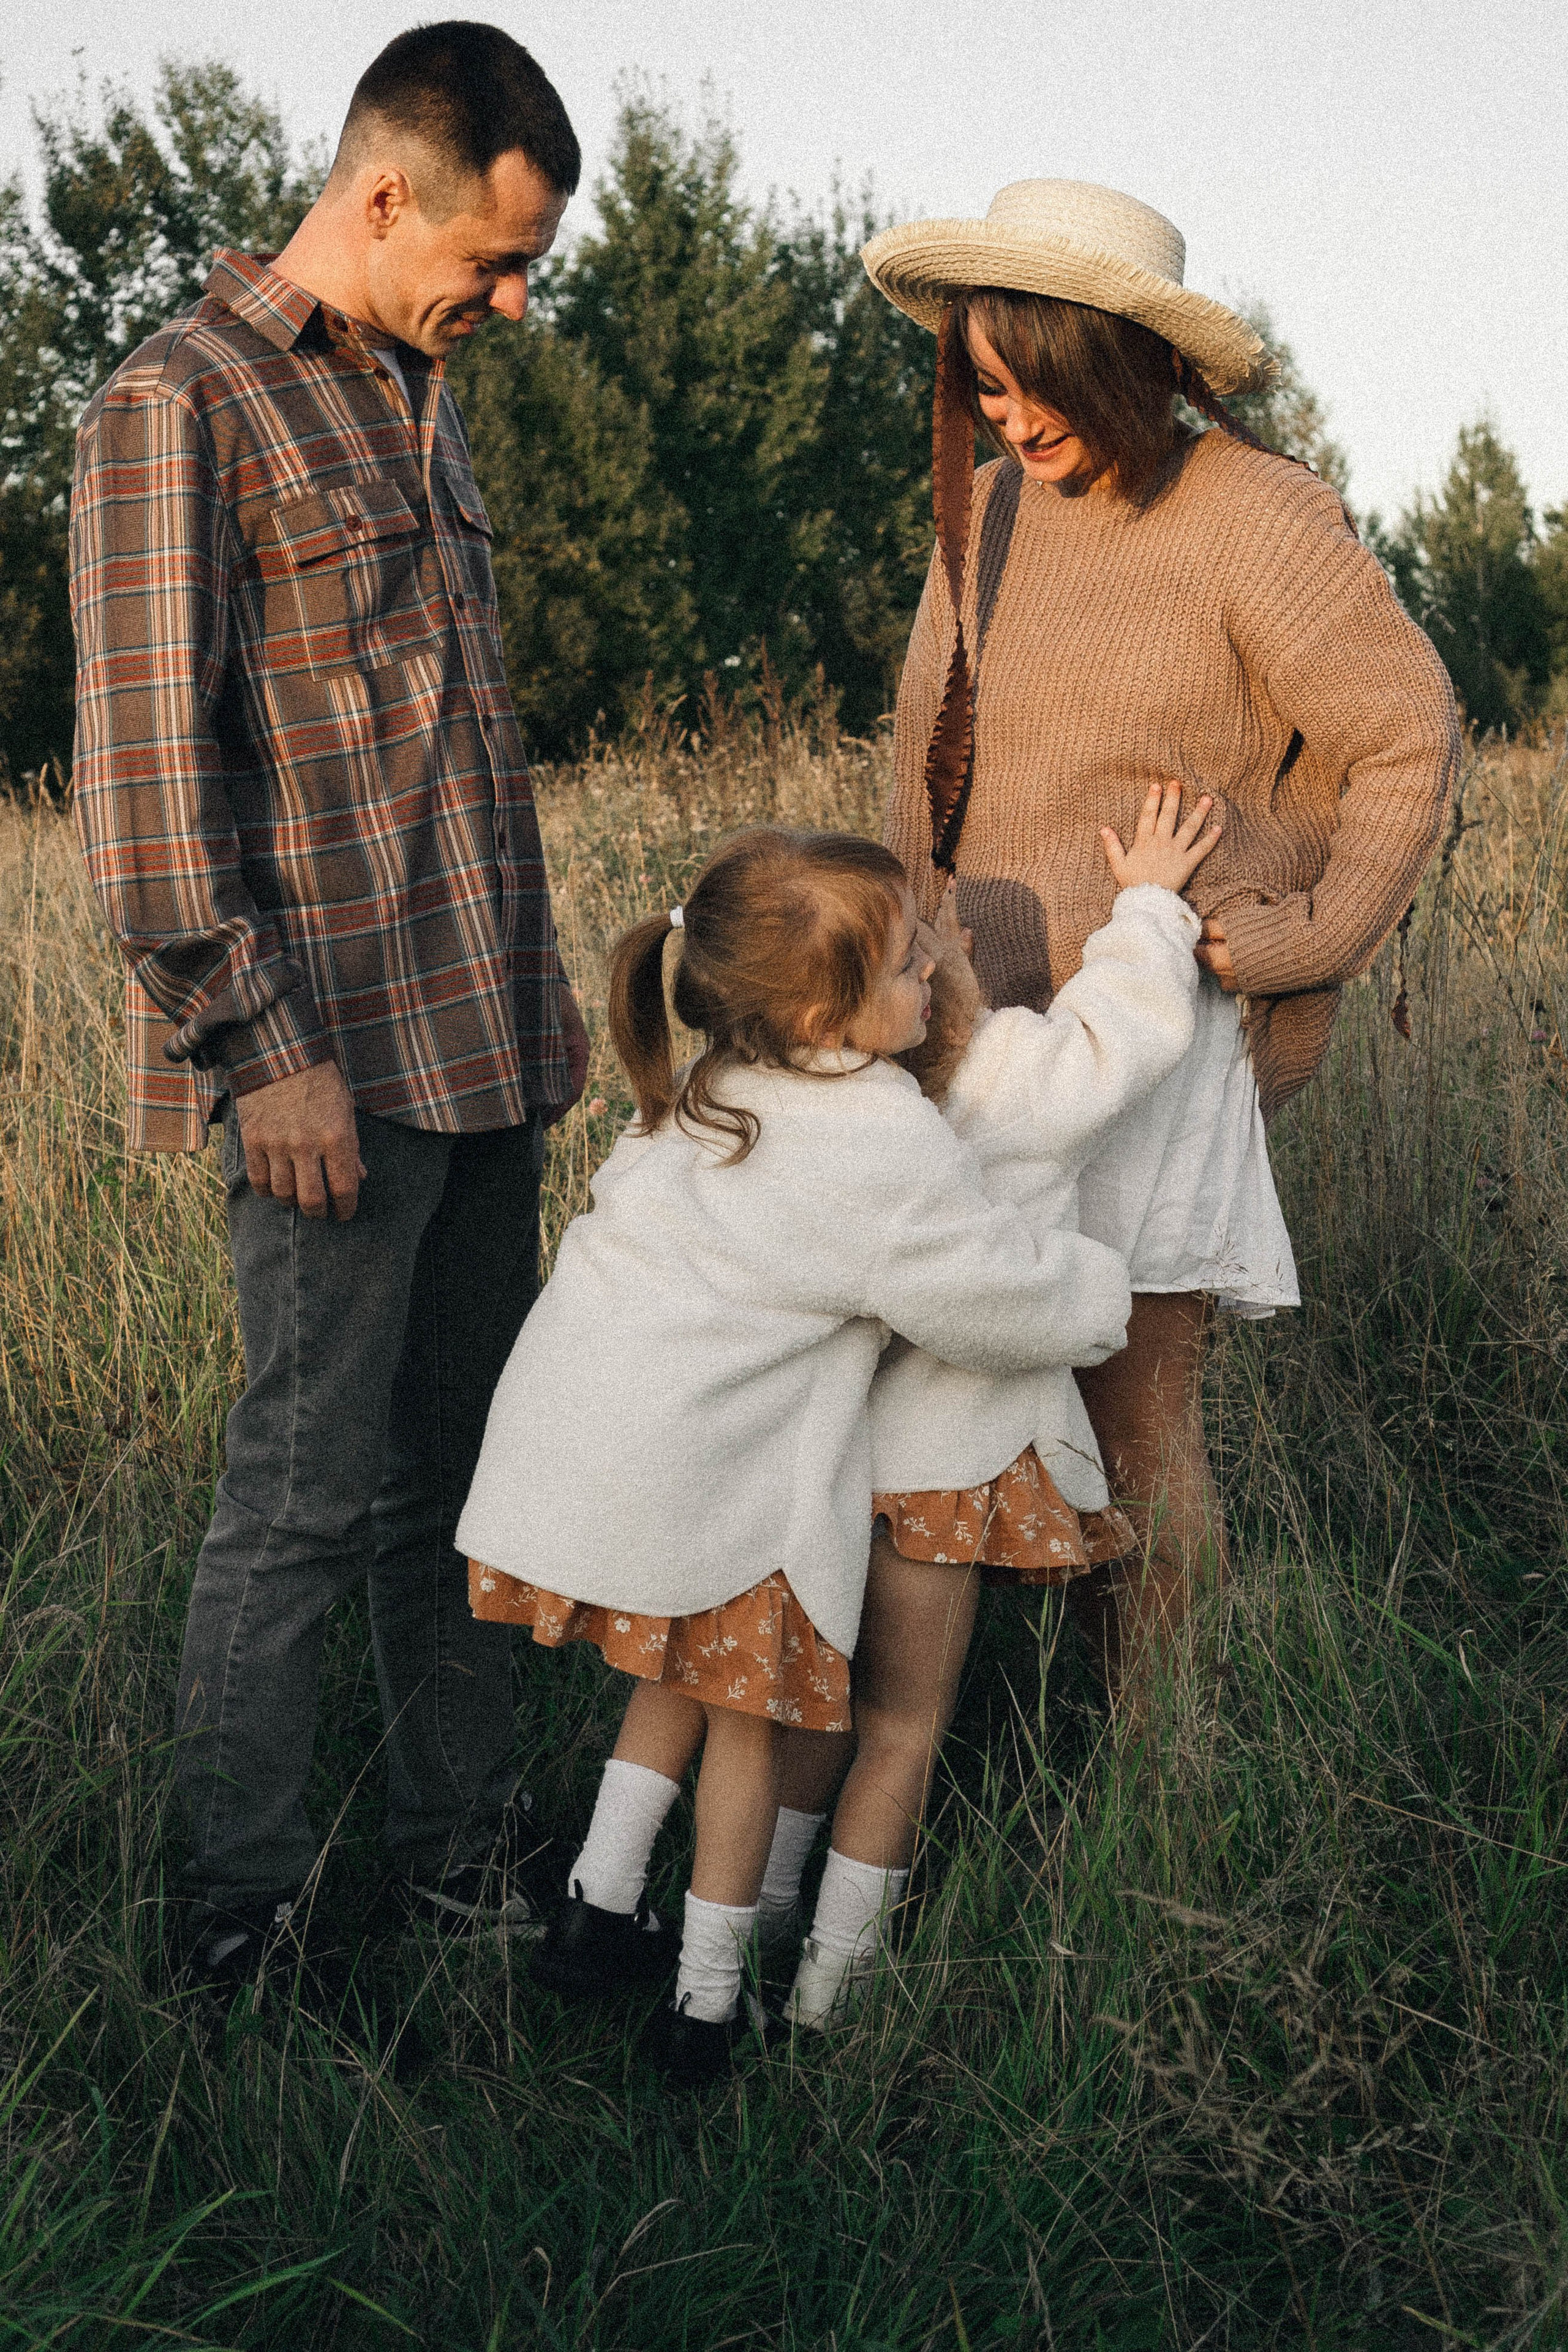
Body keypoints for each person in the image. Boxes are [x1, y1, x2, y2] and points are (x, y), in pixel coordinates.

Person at [68, 24, 590, 2007]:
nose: (517, 299)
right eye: (500, 254)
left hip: (488, 1058)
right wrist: (256, 1047)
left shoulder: (422, 399)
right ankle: (241, 1938)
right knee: (298, 1507)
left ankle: (462, 1881)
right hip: (329, 1078)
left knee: (463, 1491)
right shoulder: (176, 408)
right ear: (386, 195)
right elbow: (144, 789)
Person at [859, 179, 1461, 1697]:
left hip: (1148, 1034)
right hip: (978, 1029)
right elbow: (921, 748)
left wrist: (1297, 939)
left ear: (1117, 361)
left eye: (1035, 384)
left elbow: (1405, 734)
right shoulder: (985, 510)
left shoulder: (1254, 513)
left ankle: (1143, 1768)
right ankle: (958, 1730)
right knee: (948, 1389)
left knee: (1133, 1414)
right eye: (982, 387)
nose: (1008, 419)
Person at [457, 826, 1136, 2084]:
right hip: (719, 1478)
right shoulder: (873, 1144)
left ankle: (597, 1905)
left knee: (664, 1676)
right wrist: (1102, 1291)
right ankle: (704, 2009)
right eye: (904, 973)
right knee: (748, 1729)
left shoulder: (711, 1083)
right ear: (823, 1007)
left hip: (593, 1445)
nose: (929, 984)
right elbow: (983, 1294)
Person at [774, 784, 1221, 2027]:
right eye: (934, 937)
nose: (952, 943)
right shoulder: (1013, 1078)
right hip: (950, 1463)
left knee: (812, 1707)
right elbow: (1124, 1031)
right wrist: (1145, 901)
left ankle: (746, 1925)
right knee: (904, 1727)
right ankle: (829, 1992)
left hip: (827, 1454)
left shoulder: (822, 1098)